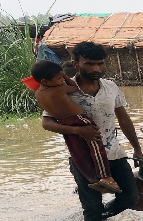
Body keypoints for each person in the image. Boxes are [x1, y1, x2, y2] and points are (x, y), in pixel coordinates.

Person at [40, 41, 143, 221]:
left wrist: (137, 149)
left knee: (131, 197)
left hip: (114, 153)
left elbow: (124, 119)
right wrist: (78, 130)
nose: (96, 69)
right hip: (83, 158)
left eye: (100, 64)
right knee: (91, 206)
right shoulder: (62, 89)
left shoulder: (111, 87)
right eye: (89, 64)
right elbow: (46, 123)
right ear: (76, 63)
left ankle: (103, 216)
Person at [28, 60, 120, 194]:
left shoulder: (38, 93)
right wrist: (65, 77)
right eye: (59, 78)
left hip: (63, 123)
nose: (61, 80)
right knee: (96, 147)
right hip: (79, 120)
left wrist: (59, 77)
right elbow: (74, 87)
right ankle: (106, 177)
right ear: (45, 81)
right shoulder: (59, 89)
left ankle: (92, 179)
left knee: (78, 152)